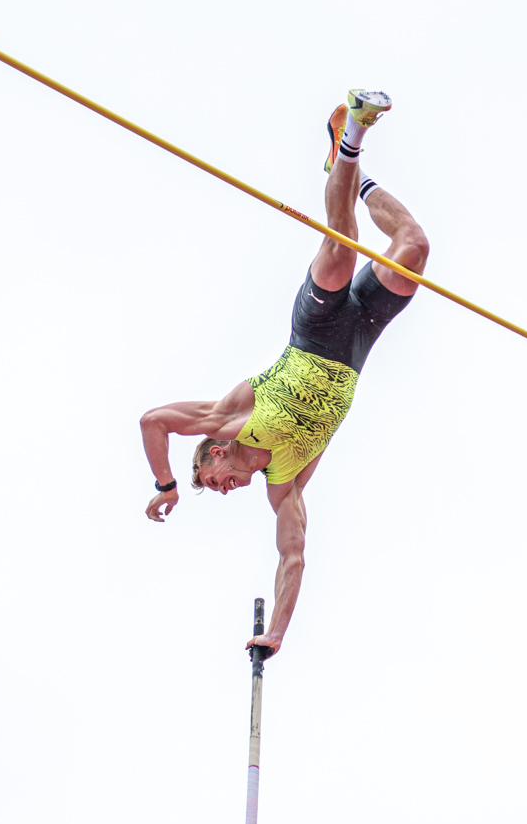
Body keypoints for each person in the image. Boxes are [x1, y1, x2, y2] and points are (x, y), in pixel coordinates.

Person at [138, 90, 429, 658]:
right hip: (357, 346)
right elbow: (293, 557)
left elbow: (153, 421)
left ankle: (352, 137)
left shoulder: (226, 419)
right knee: (414, 246)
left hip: (315, 330)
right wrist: (276, 633)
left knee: (342, 247)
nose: (223, 490)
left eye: (211, 481)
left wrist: (167, 486)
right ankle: (352, 172)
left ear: (214, 453)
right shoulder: (285, 486)